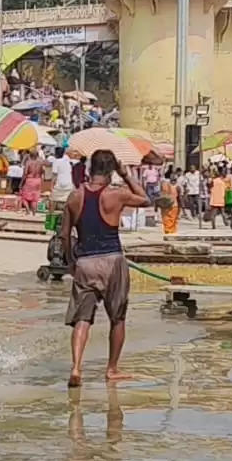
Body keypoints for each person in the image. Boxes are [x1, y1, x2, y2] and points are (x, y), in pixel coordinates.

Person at [62, 150, 147, 388]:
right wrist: (126, 175)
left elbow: (64, 235)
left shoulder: (74, 197)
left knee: (82, 319)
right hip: (112, 260)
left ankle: (77, 367)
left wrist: (71, 261)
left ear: (89, 169)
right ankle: (111, 369)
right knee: (117, 318)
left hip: (85, 263)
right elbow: (146, 200)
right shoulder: (116, 194)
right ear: (110, 171)